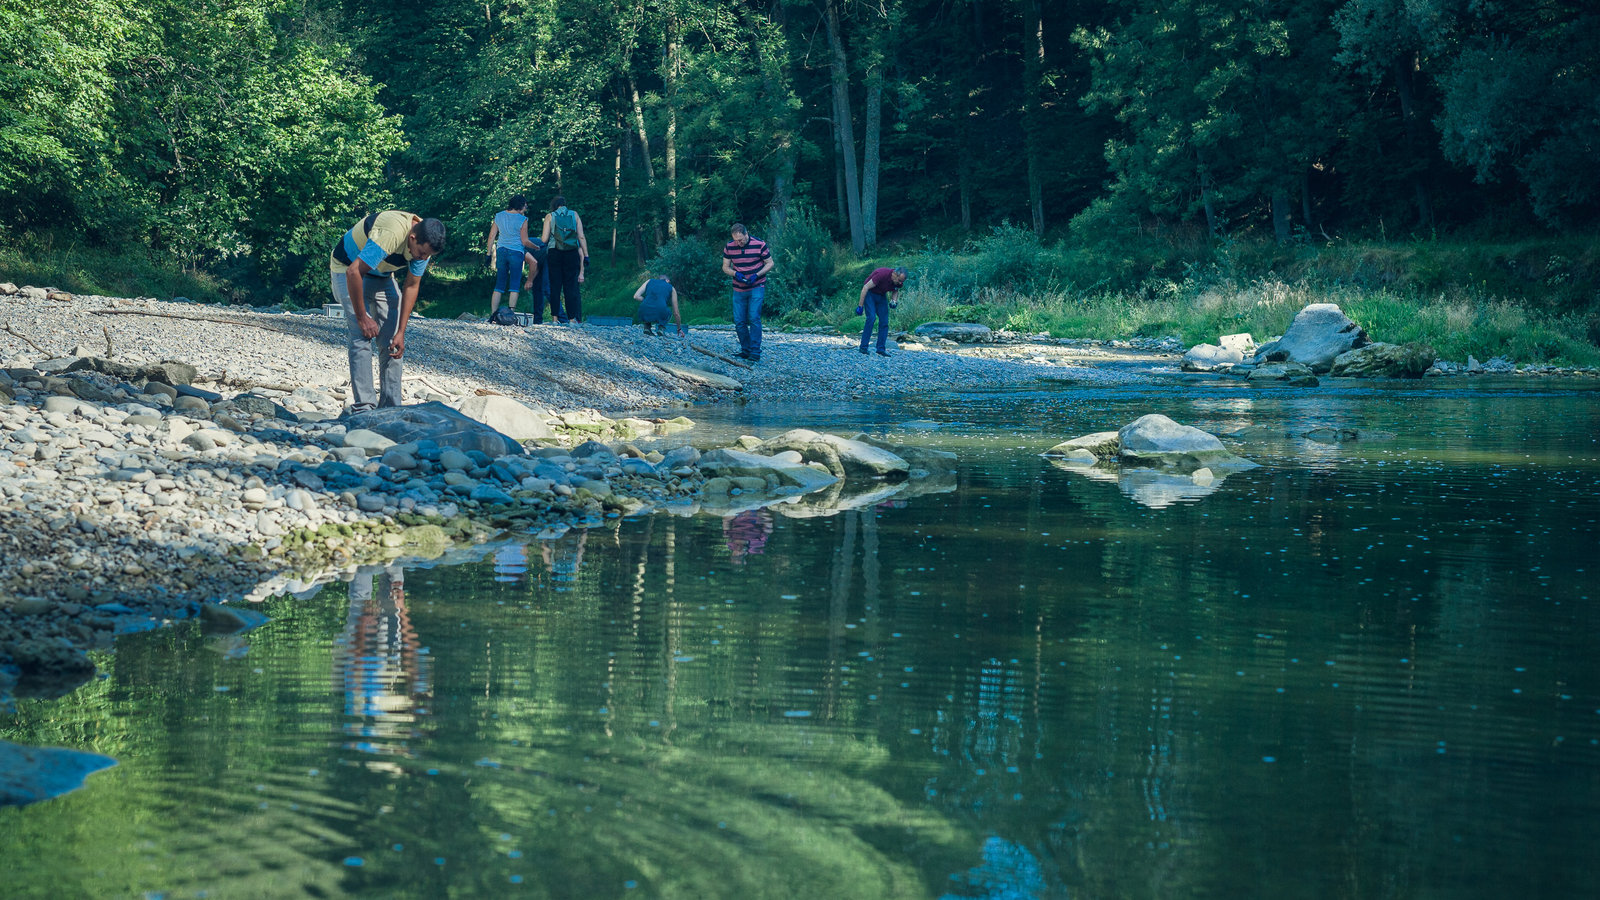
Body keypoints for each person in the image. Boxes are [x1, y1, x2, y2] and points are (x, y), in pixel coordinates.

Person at [329, 210, 446, 412]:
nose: (423, 258)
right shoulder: (392, 233)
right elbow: (354, 271)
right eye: (421, 253)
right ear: (412, 238)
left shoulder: (425, 244)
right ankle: (364, 407)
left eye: (428, 255)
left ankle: (391, 408)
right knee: (361, 335)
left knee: (393, 342)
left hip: (382, 275)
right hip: (347, 268)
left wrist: (401, 332)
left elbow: (411, 286)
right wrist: (362, 317)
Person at [721, 223, 774, 361]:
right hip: (739, 288)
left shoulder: (759, 244)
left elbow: (770, 263)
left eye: (741, 239)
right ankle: (746, 350)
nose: (739, 243)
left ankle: (755, 351)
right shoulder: (729, 246)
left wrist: (757, 274)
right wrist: (734, 273)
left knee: (754, 317)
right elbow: (725, 267)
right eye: (736, 240)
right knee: (739, 321)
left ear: (746, 234)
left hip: (757, 285)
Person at [485, 195, 539, 318]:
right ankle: (510, 315)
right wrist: (536, 247)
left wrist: (488, 254)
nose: (526, 207)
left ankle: (493, 314)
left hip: (502, 251)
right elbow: (525, 241)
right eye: (525, 204)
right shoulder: (522, 220)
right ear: (520, 205)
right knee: (514, 285)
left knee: (499, 284)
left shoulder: (499, 216)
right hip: (516, 252)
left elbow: (491, 236)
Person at [539, 195, 589, 322]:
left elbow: (544, 239)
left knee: (555, 285)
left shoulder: (550, 216)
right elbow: (581, 236)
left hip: (554, 252)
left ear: (554, 206)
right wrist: (586, 255)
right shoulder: (575, 215)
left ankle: (555, 319)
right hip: (571, 252)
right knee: (570, 286)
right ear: (565, 204)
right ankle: (572, 319)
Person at [857, 266, 907, 357]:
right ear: (895, 274)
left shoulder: (899, 281)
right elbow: (865, 287)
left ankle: (880, 349)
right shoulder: (882, 274)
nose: (900, 283)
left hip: (881, 295)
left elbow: (895, 290)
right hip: (870, 294)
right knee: (871, 318)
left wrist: (894, 301)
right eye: (899, 280)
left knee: (884, 322)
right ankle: (863, 347)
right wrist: (860, 306)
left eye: (902, 282)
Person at [632, 272, 684, 337]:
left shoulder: (649, 281)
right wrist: (679, 328)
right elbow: (676, 313)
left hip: (644, 309)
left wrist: (647, 301)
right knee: (668, 312)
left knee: (647, 307)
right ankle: (661, 328)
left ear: (659, 279)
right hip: (661, 310)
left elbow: (636, 296)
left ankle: (647, 327)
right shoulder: (671, 288)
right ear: (668, 280)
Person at [522, 237, 559, 323]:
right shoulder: (522, 244)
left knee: (547, 289)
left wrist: (529, 281)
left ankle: (562, 317)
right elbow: (536, 265)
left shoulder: (518, 247)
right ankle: (537, 319)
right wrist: (531, 280)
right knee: (537, 288)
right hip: (541, 260)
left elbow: (534, 263)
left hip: (549, 256)